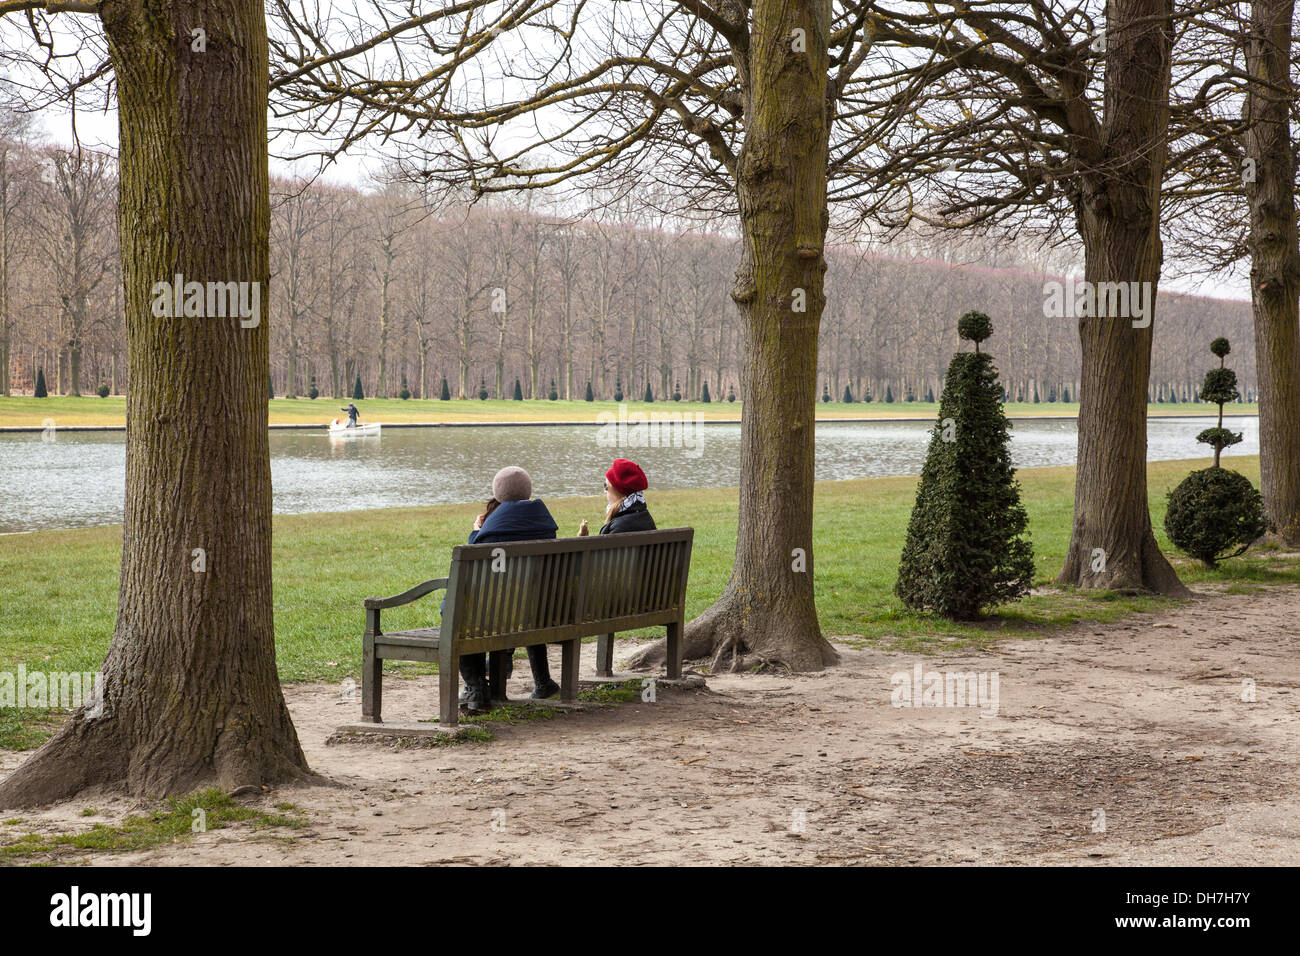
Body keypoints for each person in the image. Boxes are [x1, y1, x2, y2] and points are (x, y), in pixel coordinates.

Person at [457, 466, 558, 712]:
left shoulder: (493, 531)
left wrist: (477, 533)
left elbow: (476, 571)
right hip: (538, 612)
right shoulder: (544, 525)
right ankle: (542, 682)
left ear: (497, 493)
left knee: (464, 614)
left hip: (496, 615)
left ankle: (475, 686)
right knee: (519, 605)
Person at [579, 458, 656, 536]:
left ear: (618, 493)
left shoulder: (618, 527)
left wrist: (582, 539)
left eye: (606, 486)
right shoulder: (646, 518)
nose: (604, 491)